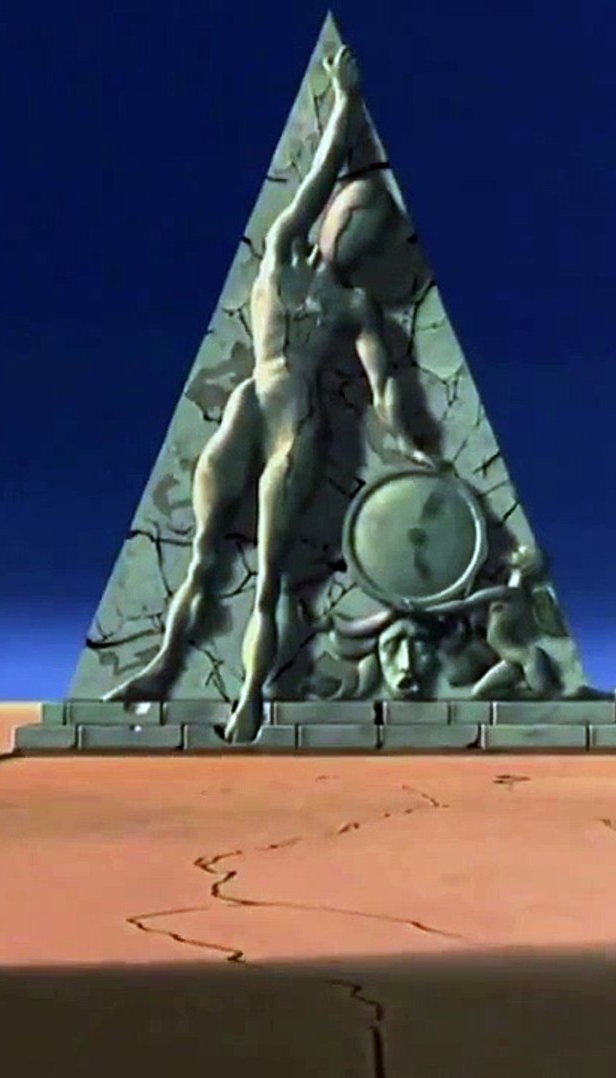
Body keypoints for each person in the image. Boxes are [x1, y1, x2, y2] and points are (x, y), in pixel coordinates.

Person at [104, 45, 436, 742]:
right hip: (252, 405)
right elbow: (318, 173)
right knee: (203, 551)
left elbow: (384, 384)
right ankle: (162, 665)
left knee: (268, 576)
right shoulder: (284, 251)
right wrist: (345, 102)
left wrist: (409, 443)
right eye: (352, 217)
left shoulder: (351, 305)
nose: (348, 229)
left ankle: (250, 692)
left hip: (296, 426)